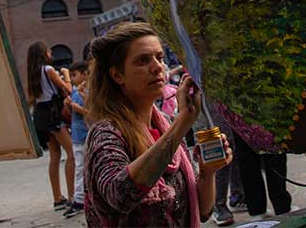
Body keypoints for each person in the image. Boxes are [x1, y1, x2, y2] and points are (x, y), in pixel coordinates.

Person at [84, 22, 232, 227]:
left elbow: (203, 211)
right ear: (117, 75)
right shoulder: (106, 132)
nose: (157, 67)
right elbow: (121, 194)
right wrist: (181, 125)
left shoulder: (166, 125)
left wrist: (208, 171)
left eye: (160, 57)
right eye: (143, 60)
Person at [27, 41, 75, 211]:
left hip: (41, 115)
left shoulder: (32, 74)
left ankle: (57, 198)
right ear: (44, 53)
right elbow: (67, 89)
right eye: (48, 51)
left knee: (54, 155)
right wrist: (66, 74)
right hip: (53, 115)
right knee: (71, 152)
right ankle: (72, 196)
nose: (51, 53)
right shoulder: (48, 70)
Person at [63, 60, 90, 218]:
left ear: (85, 73)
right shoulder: (75, 91)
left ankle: (80, 200)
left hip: (86, 135)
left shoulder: (88, 91)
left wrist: (79, 108)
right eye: (71, 75)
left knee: (82, 169)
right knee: (80, 168)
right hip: (77, 136)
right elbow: (71, 113)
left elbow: (93, 112)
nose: (72, 78)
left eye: (74, 75)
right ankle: (81, 198)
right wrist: (68, 106)